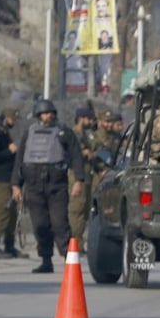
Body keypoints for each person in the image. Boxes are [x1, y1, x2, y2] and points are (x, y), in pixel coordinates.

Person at [11, 100, 86, 273]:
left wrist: (79, 181)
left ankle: (70, 260)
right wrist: (16, 185)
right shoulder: (29, 133)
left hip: (56, 186)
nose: (49, 115)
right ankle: (46, 260)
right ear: (39, 115)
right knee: (40, 225)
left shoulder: (63, 132)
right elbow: (20, 160)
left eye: (51, 112)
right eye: (45, 113)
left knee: (60, 224)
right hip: (33, 186)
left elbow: (76, 156)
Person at [0, 107, 21, 258]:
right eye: (13, 119)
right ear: (6, 118)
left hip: (9, 179)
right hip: (0, 179)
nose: (14, 122)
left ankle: (9, 245)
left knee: (12, 214)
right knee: (2, 213)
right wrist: (9, 151)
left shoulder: (3, 131)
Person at [67, 108, 98, 250]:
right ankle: (74, 243)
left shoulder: (85, 134)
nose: (90, 122)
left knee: (84, 211)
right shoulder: (74, 133)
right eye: (88, 119)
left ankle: (79, 242)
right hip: (76, 175)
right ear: (81, 119)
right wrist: (83, 151)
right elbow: (71, 150)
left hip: (86, 175)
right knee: (76, 210)